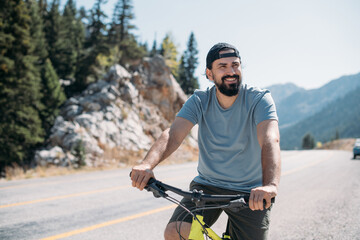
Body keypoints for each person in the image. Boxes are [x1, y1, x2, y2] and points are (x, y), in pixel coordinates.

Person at [130, 42, 281, 240]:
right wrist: (146, 164)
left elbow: (270, 139)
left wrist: (270, 185)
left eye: (235, 65)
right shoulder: (200, 100)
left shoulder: (259, 99)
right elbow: (173, 134)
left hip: (251, 192)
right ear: (209, 74)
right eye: (223, 66)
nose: (231, 71)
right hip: (207, 187)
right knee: (176, 232)